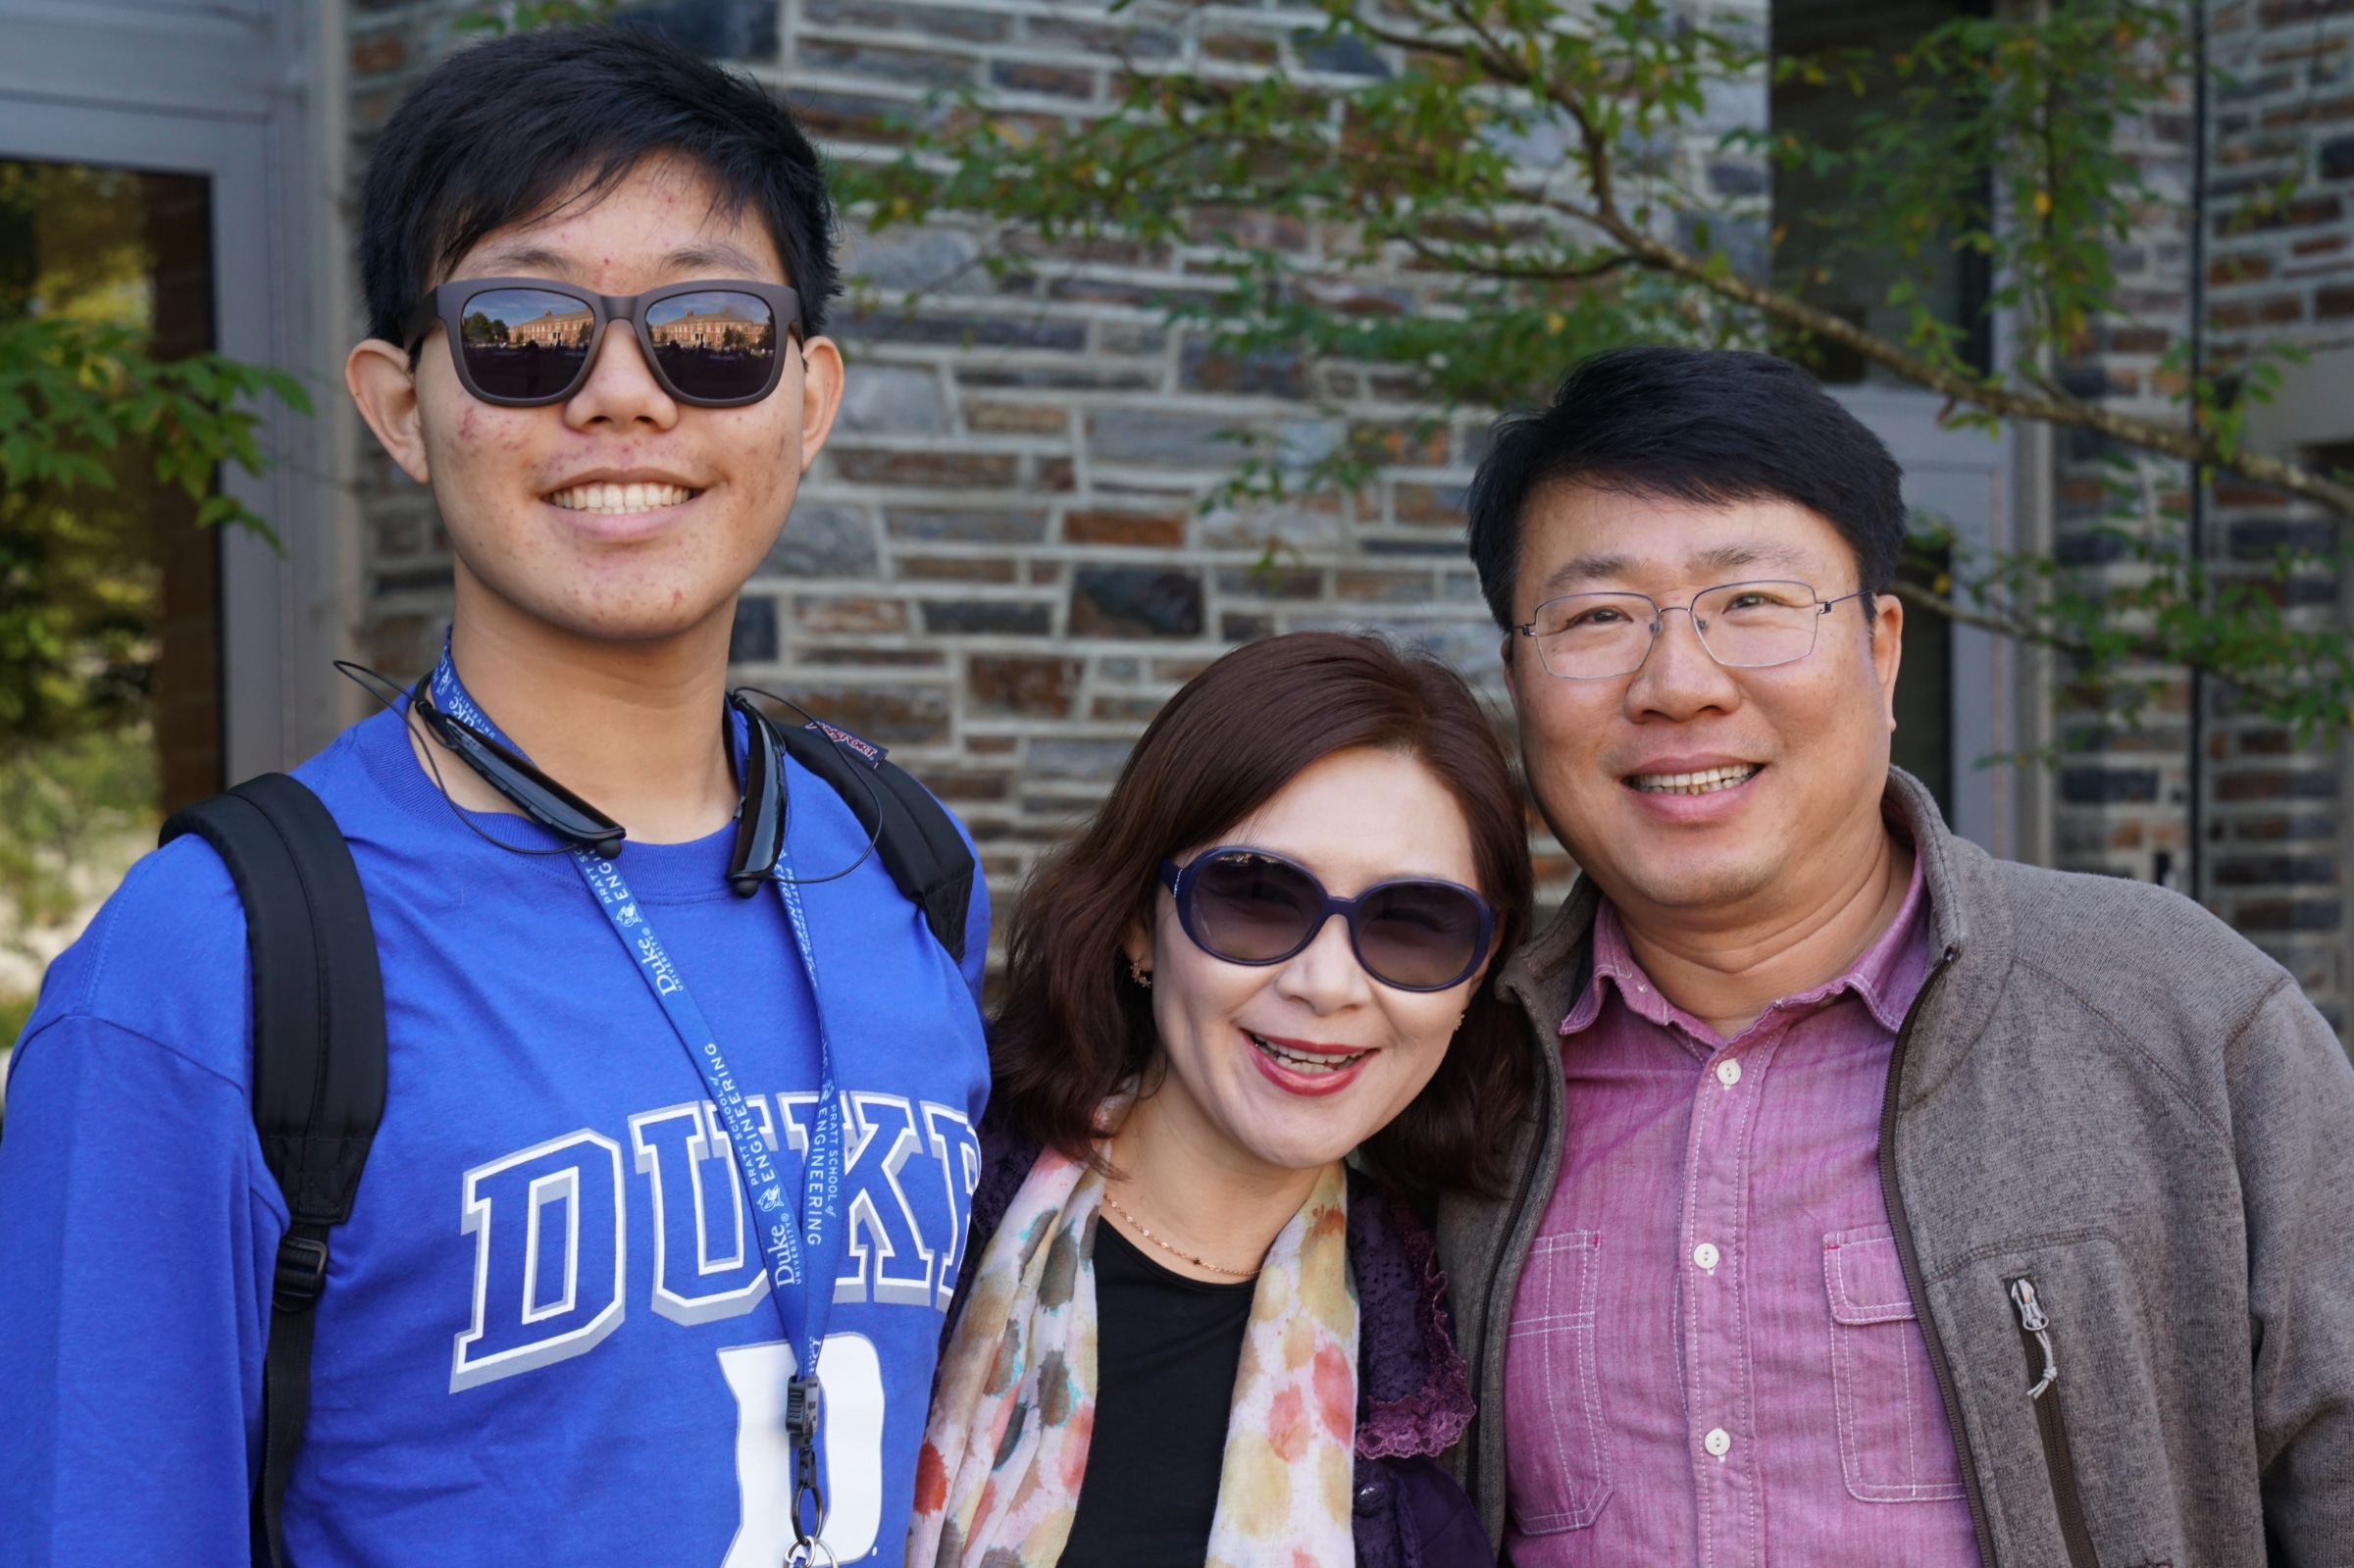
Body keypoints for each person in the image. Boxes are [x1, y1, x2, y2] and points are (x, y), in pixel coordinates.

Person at [0, 28, 991, 1568]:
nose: (619, 396)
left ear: (808, 399)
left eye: (708, 330)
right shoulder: (210, 961)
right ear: (400, 405)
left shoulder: (909, 868)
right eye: (524, 329)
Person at [1438, 344, 2354, 1567]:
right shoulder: (1445, 1076)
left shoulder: (2182, 1015)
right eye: (1599, 617)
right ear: (1517, 682)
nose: (1679, 683)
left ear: (1880, 648)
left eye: (1750, 602)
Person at [907, 632, 1529, 1568]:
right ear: (1136, 924)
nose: (1328, 983)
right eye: (1256, 897)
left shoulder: (1428, 1401)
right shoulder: (905, 1222)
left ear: (1474, 978)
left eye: (1412, 924)